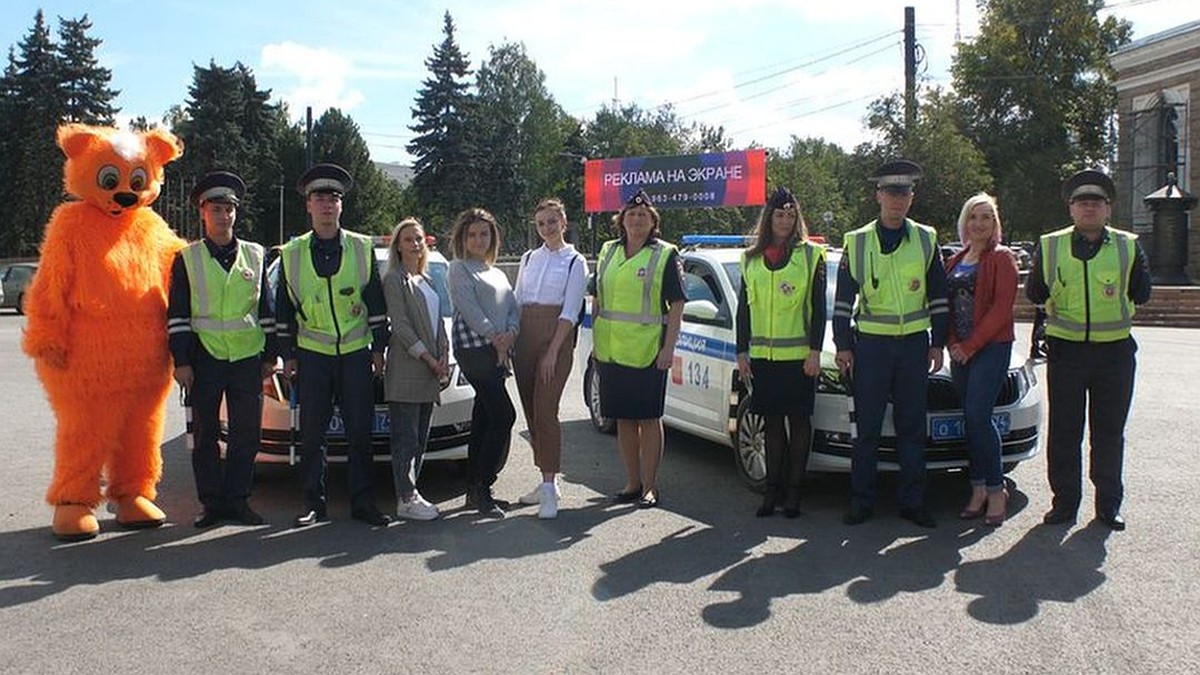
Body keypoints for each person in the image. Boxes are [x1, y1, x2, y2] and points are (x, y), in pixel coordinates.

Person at [1024, 169, 1152, 531]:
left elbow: (1142, 292)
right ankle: (1064, 503)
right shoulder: (1050, 245)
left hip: (1114, 355)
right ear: (1071, 209)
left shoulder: (1128, 245)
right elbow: (1035, 292)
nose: (1089, 208)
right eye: (1082, 202)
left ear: (1108, 209)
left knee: (1109, 432)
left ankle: (1108, 505)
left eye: (1096, 202)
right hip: (1067, 353)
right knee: (1065, 431)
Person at [833, 159, 949, 528]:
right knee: (866, 428)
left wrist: (938, 343)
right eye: (891, 193)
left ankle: (912, 502)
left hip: (914, 344)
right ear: (878, 196)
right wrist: (843, 345)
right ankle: (862, 501)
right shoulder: (857, 240)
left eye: (905, 193)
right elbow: (842, 301)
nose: (898, 200)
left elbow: (939, 296)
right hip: (871, 346)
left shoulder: (927, 238)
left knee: (912, 426)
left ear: (912, 198)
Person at [276, 163, 391, 528]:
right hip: (313, 357)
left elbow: (375, 300)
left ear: (341, 206)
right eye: (319, 198)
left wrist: (379, 350)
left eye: (334, 198)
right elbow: (284, 309)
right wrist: (288, 355)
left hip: (356, 354)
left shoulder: (360, 247)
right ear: (308, 206)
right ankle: (313, 503)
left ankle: (363, 502)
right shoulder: (291, 252)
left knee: (360, 433)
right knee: (313, 435)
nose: (327, 205)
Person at [167, 170, 275, 528]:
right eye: (215, 209)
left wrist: (270, 356)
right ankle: (211, 504)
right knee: (205, 435)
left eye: (228, 209)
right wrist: (181, 361)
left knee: (247, 435)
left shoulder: (256, 255)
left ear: (235, 213)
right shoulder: (187, 259)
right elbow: (178, 315)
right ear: (203, 212)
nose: (222, 215)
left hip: (247, 358)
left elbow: (268, 311)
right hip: (204, 359)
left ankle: (239, 501)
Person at [735, 186, 826, 518]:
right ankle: (771, 490)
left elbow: (818, 308)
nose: (785, 221)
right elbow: (743, 311)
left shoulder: (811, 255)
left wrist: (815, 351)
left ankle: (794, 492)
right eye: (779, 214)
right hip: (764, 358)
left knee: (799, 423)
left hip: (799, 358)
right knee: (772, 424)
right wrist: (741, 351)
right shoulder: (750, 258)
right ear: (768, 218)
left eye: (791, 215)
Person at [592, 189, 686, 509]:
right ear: (622, 220)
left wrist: (668, 348)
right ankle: (632, 482)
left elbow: (676, 305)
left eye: (643, 215)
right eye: (631, 215)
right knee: (624, 420)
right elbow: (597, 298)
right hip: (612, 350)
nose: (636, 220)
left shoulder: (665, 254)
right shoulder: (608, 251)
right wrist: (595, 340)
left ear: (653, 221)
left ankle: (650, 486)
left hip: (648, 351)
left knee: (648, 418)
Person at [943, 193, 1018, 527]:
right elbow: (943, 306)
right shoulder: (955, 259)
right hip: (960, 350)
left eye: (986, 217)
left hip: (990, 348)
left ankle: (996, 489)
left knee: (978, 415)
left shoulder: (1002, 258)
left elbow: (1001, 310)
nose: (979, 223)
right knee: (970, 418)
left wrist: (970, 345)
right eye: (974, 217)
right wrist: (952, 343)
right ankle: (977, 488)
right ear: (965, 222)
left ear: (994, 224)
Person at [512, 198, 588, 519]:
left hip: (554, 337)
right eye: (541, 223)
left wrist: (554, 351)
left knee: (546, 411)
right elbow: (517, 301)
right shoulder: (529, 258)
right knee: (530, 411)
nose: (547, 228)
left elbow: (570, 312)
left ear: (564, 222)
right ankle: (547, 478)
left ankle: (548, 489)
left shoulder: (575, 262)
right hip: (525, 337)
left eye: (552, 221)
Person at [447, 207, 520, 518]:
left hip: (498, 351)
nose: (479, 239)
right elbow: (469, 308)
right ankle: (483, 486)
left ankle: (473, 490)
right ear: (463, 237)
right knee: (504, 415)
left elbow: (513, 307)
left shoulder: (497, 271)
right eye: (473, 234)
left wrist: (511, 334)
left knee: (484, 417)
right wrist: (496, 336)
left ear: (493, 237)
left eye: (484, 233)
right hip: (475, 350)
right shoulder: (459, 268)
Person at [382, 218, 447, 521]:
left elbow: (438, 326)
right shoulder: (394, 279)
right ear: (398, 245)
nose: (415, 244)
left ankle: (413, 491)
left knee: (420, 438)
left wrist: (444, 355)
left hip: (430, 372)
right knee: (405, 438)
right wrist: (429, 359)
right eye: (408, 239)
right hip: (409, 369)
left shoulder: (429, 281)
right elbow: (402, 327)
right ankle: (405, 497)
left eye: (419, 239)